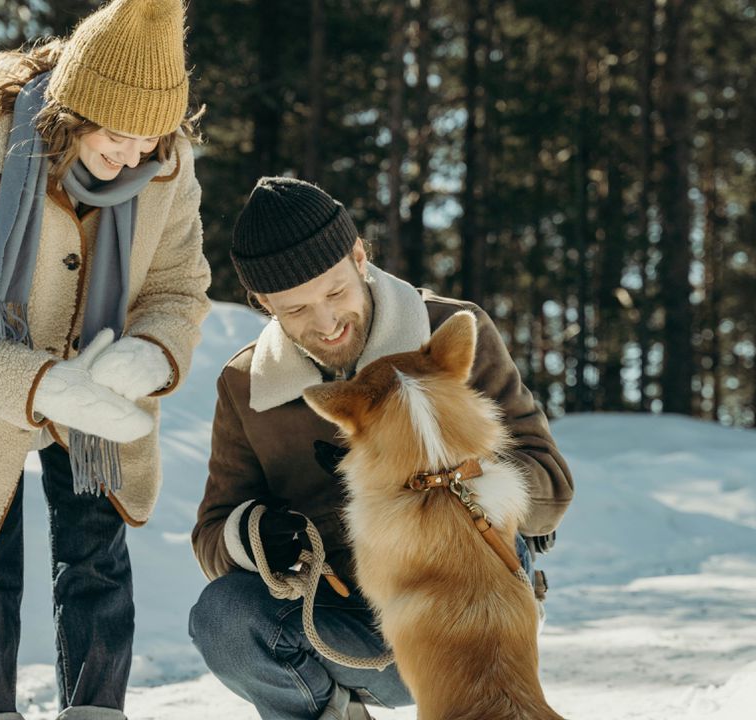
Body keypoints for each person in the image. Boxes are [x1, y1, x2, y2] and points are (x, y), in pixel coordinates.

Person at [0, 0, 210, 718]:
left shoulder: (166, 166)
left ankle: (96, 710)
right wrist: (41, 385)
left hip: (101, 397)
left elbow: (178, 287)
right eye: (118, 133)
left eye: (151, 138)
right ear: (78, 108)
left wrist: (148, 356)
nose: (134, 155)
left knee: (96, 559)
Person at [189, 177, 573, 720]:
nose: (325, 324)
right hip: (342, 624)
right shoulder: (246, 385)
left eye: (334, 292)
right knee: (222, 618)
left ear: (359, 257)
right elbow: (211, 533)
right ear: (262, 303)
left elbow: (552, 483)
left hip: (461, 617)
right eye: (294, 309)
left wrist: (460, 480)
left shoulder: (449, 332)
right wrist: (255, 538)